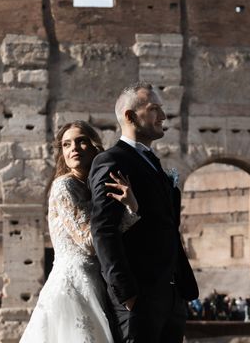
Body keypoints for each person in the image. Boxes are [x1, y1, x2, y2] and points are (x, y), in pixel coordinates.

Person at [90, 82, 199, 343]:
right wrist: (126, 293)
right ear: (129, 116)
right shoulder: (112, 161)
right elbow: (104, 230)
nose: (163, 116)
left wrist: (179, 296)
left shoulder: (153, 163)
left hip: (171, 298)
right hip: (140, 298)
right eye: (154, 109)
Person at [20, 121, 140, 343]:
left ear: (94, 146)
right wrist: (130, 210)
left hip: (96, 281)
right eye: (66, 144)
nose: (73, 148)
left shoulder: (92, 185)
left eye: (80, 141)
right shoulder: (63, 186)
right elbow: (88, 241)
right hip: (74, 284)